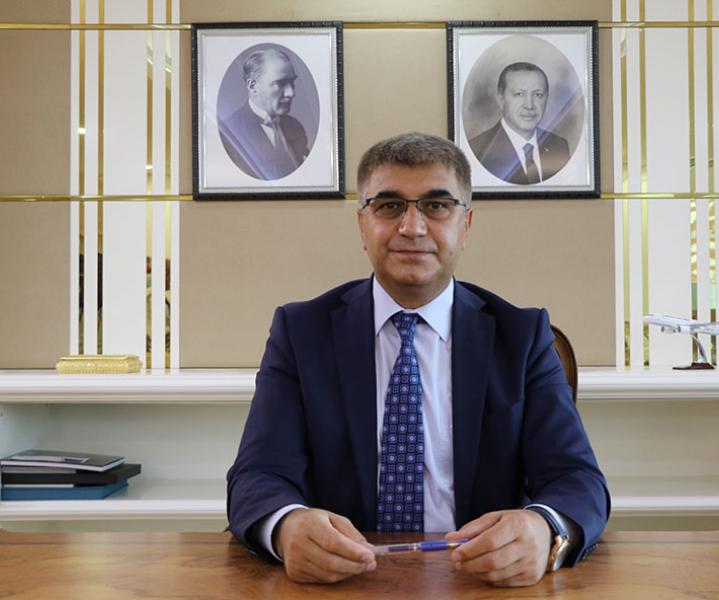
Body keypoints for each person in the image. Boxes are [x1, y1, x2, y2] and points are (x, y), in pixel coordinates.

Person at [227, 132, 609, 586]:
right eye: (389, 206)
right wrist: (286, 526)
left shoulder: (521, 336)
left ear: (466, 225)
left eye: (436, 205)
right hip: (341, 583)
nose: (412, 227)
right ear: (362, 225)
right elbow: (258, 474)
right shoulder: (301, 331)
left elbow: (577, 478)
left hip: (481, 582)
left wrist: (544, 528)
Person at [468, 62, 571, 185]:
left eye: (538, 94)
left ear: (546, 98)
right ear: (501, 99)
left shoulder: (559, 146)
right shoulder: (478, 150)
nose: (529, 105)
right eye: (519, 94)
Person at [218, 48, 309, 180]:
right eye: (280, 83)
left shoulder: (295, 126)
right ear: (252, 86)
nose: (291, 93)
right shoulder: (227, 132)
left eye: (292, 82)